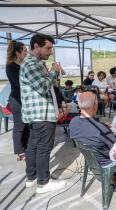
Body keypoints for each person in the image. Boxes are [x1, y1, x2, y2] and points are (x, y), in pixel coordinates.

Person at [20, 34, 66, 193]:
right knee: (43, 148)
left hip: (39, 113)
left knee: (33, 145)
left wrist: (55, 73)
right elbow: (42, 87)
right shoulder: (31, 64)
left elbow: (46, 85)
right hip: (41, 114)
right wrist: (53, 71)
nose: (50, 52)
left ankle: (32, 177)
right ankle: (43, 182)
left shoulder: (36, 63)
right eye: (48, 48)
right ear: (36, 47)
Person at [70, 92, 116, 166]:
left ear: (79, 105)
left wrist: (102, 125)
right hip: (106, 162)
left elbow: (87, 129)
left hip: (90, 159)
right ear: (95, 106)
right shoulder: (101, 129)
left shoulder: (73, 121)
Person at [5, 40, 29, 161]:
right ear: (17, 53)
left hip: (23, 99)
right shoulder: (11, 66)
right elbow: (21, 84)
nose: (27, 53)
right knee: (19, 126)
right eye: (25, 50)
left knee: (25, 125)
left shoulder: (21, 65)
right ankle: (20, 151)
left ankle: (26, 147)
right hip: (16, 101)